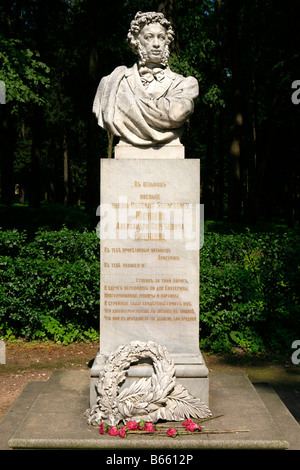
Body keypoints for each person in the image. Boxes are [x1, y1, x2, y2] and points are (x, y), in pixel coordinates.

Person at [93, 11, 199, 147]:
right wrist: (161, 107)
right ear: (136, 41)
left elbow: (176, 113)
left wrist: (129, 103)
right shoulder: (115, 83)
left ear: (167, 41)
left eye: (161, 37)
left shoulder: (185, 84)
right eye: (149, 37)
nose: (156, 44)